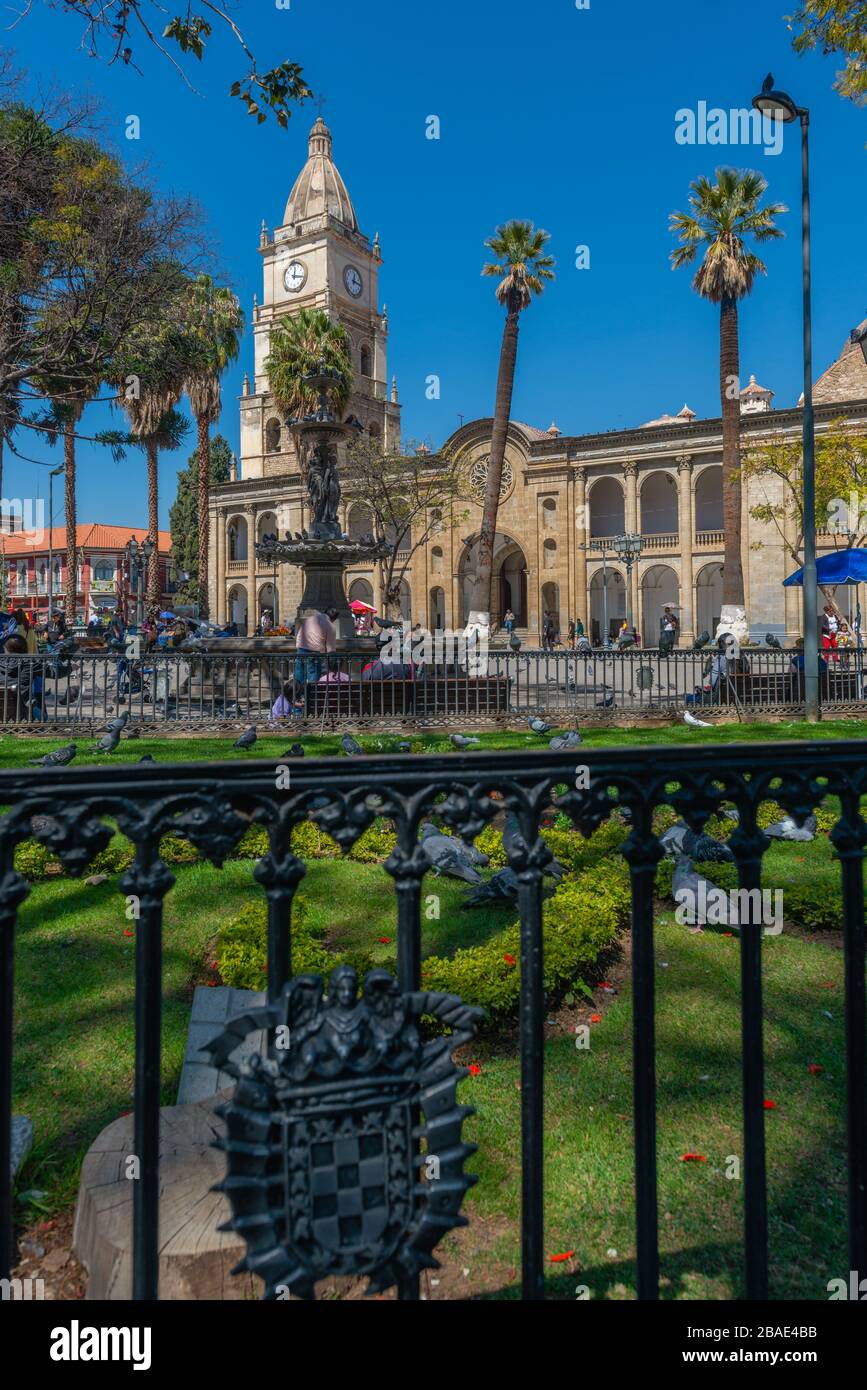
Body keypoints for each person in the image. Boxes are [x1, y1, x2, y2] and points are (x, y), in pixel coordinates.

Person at [294, 607, 337, 688]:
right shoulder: (330, 626)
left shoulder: (311, 619)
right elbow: (331, 648)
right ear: (334, 618)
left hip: (301, 649)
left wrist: (298, 646)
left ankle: (297, 695)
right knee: (313, 674)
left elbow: (300, 633)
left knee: (299, 673)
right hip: (314, 652)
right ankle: (312, 696)